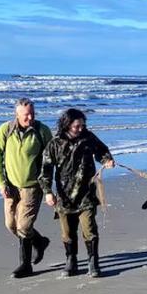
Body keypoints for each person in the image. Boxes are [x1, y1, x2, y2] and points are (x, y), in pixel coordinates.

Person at [39, 108, 115, 278]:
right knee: (67, 232)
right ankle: (71, 260)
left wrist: (107, 160)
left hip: (86, 193)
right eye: (77, 126)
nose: (81, 128)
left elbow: (102, 150)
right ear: (67, 125)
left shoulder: (88, 137)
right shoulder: (55, 143)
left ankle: (93, 262)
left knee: (89, 229)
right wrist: (47, 192)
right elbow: (45, 169)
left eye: (83, 125)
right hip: (64, 197)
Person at [0, 97, 54, 279]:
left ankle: (25, 265)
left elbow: (50, 160)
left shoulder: (42, 131)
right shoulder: (5, 130)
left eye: (32, 114)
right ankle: (40, 242)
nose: (30, 118)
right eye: (26, 115)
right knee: (11, 225)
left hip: (32, 187)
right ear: (17, 114)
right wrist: (1, 184)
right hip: (10, 187)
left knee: (24, 226)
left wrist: (48, 188)